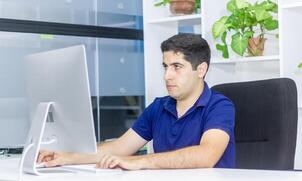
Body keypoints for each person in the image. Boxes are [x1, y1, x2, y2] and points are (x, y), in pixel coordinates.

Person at [38, 33, 235, 170]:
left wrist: (139, 162)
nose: (167, 76)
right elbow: (119, 148)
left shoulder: (219, 106)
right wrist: (67, 156)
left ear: (200, 70)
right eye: (165, 66)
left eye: (177, 67)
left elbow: (206, 156)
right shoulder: (159, 107)